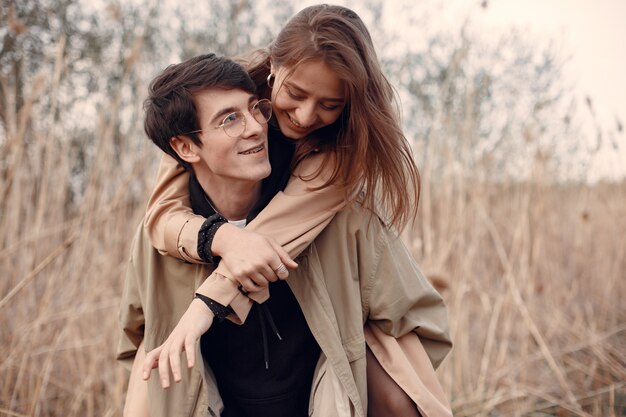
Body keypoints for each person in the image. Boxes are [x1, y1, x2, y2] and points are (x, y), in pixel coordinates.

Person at [134, 4, 452, 416]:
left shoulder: (339, 152)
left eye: (329, 104)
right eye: (296, 94)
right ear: (273, 65)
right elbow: (161, 217)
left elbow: (270, 238)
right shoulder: (210, 109)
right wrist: (222, 236)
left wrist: (204, 308)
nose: (305, 116)